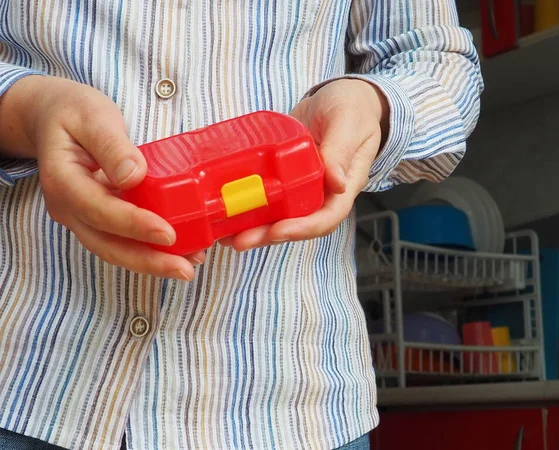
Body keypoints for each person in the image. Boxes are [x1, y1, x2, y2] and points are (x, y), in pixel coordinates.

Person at [0, 1, 483, 449]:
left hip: (292, 405)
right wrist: (29, 110)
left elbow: (440, 61)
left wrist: (372, 104)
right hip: (31, 385)